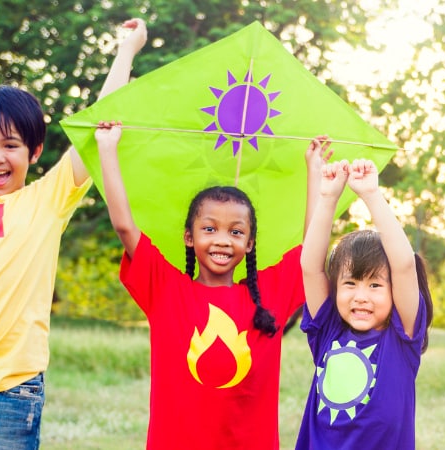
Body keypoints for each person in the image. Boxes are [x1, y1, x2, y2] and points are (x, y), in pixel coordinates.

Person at [0, 0, 145, 445]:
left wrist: (127, 51)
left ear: (34, 153)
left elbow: (95, 124)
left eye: (11, 145)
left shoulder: (50, 198)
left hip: (10, 391)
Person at [95, 123, 320, 449]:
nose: (223, 241)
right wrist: (107, 148)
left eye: (236, 232)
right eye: (210, 229)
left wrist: (314, 171)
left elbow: (310, 251)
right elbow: (124, 226)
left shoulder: (269, 295)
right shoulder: (166, 290)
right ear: (190, 237)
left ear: (250, 243)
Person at [296, 154, 433, 450]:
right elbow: (310, 266)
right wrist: (328, 198)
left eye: (374, 285)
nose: (361, 296)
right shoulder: (327, 329)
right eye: (350, 283)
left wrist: (372, 195)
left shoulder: (402, 336)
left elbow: (404, 265)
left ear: (393, 290)